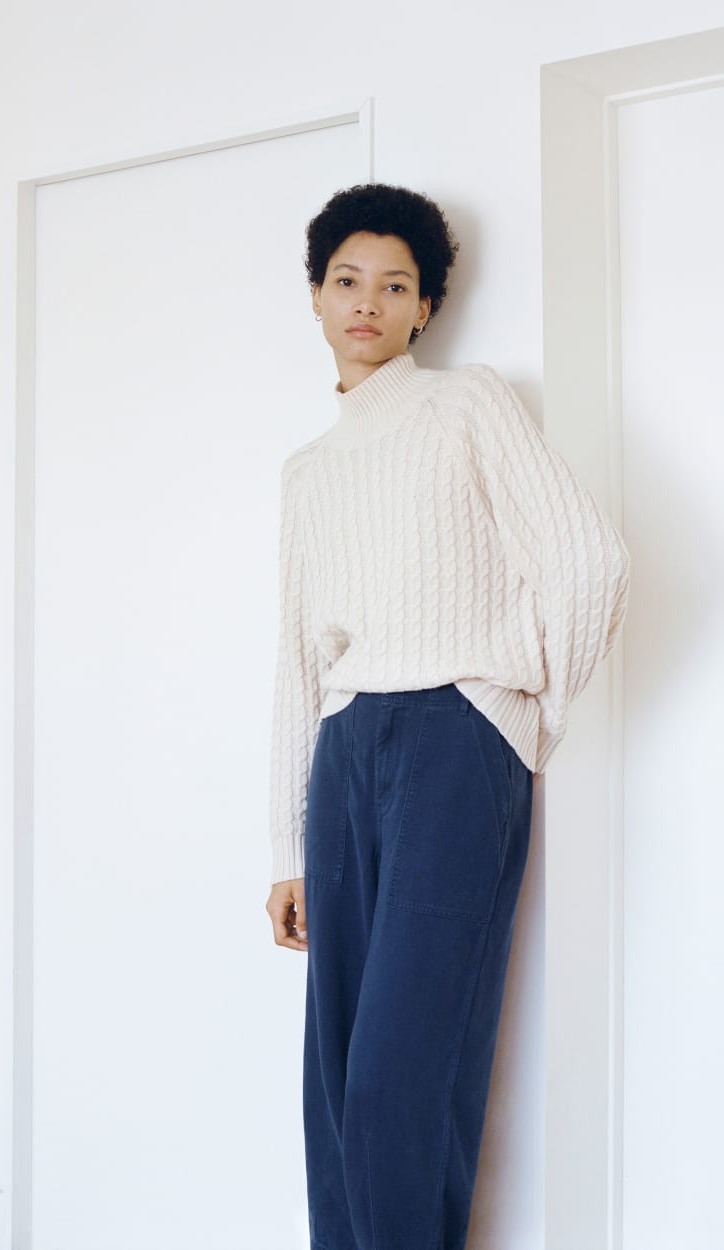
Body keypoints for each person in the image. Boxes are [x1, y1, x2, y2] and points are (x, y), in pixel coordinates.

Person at [263, 182, 630, 1250]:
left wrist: (518, 715)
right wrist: (286, 844)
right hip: (344, 748)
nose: (366, 302)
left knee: (401, 1070)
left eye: (395, 286)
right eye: (347, 281)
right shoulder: (307, 471)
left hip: (453, 743)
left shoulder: (467, 404)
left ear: (424, 308)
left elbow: (589, 559)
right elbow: (297, 660)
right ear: (316, 295)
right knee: (336, 1070)